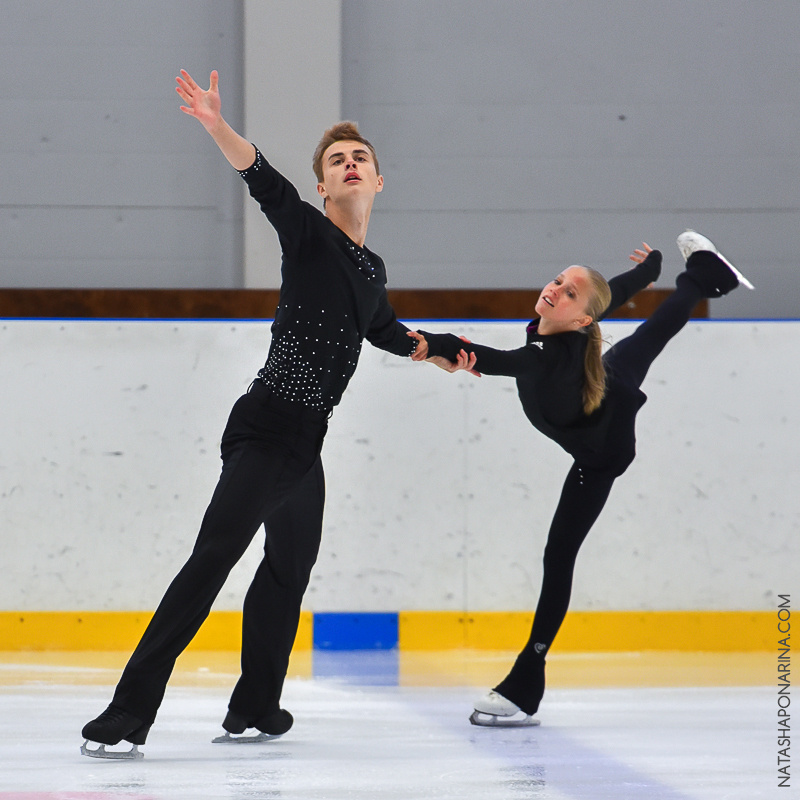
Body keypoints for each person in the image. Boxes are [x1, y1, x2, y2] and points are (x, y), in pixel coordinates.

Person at [81, 69, 426, 758]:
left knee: (287, 570)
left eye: (361, 158)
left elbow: (386, 328)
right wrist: (216, 124)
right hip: (268, 427)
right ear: (324, 187)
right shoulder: (306, 231)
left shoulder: (371, 268)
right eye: (337, 160)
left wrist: (448, 350)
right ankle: (128, 711)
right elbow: (262, 178)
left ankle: (256, 705)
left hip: (306, 446)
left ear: (378, 182)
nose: (350, 164)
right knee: (211, 561)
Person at [410, 231, 753, 727]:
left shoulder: (546, 356)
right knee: (649, 337)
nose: (555, 290)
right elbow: (610, 290)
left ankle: (527, 679)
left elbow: (495, 359)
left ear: (582, 318)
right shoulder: (566, 332)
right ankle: (703, 277)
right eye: (557, 281)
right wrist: (649, 270)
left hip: (602, 451)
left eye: (569, 293)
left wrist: (424, 345)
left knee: (558, 554)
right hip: (604, 384)